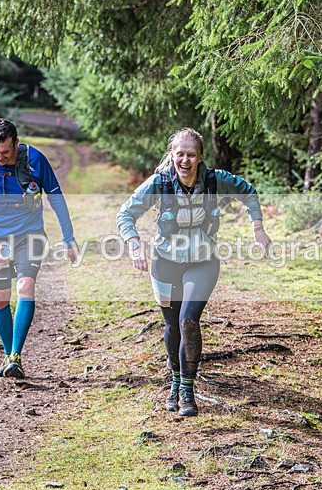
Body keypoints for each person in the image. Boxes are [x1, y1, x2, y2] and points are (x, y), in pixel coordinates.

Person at [116, 128, 271, 416]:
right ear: (172, 155)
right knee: (173, 326)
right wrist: (134, 244)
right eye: (180, 154)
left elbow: (248, 192)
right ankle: (175, 382)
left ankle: (187, 389)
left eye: (191, 155)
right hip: (165, 262)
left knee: (188, 320)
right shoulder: (160, 183)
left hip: (203, 261)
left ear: (200, 157)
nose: (185, 160)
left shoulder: (214, 180)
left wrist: (257, 228)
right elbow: (125, 214)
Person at [0, 118, 77, 378]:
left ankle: (15, 356)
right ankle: (8, 356)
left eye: (5, 152)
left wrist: (68, 237)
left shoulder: (34, 159)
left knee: (25, 287)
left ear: (16, 143)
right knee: (0, 299)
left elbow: (56, 199)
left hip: (30, 234)